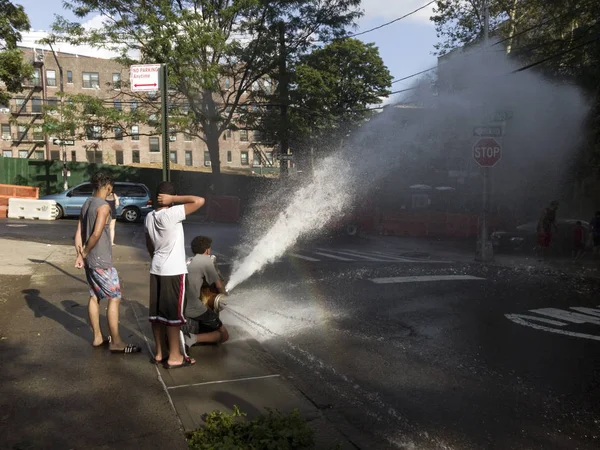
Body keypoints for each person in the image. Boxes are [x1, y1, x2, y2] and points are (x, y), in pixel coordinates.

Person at [74, 172, 141, 354]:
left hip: (89, 260)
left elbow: (78, 233)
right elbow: (96, 234)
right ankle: (116, 342)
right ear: (109, 187)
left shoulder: (87, 203)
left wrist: (80, 254)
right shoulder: (103, 207)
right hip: (101, 260)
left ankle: (97, 337)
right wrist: (85, 253)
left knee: (94, 295)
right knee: (115, 297)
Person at [144, 182, 205, 369]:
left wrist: (158, 258)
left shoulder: (149, 216)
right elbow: (199, 200)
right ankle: (175, 356)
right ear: (169, 199)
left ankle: (160, 353)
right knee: (173, 317)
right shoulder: (170, 214)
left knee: (157, 315)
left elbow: (149, 244)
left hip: (156, 269)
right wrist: (175, 200)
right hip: (173, 272)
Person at [181, 236, 230, 353]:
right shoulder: (206, 261)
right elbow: (218, 285)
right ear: (207, 250)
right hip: (193, 307)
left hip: (179, 305)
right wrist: (225, 294)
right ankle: (190, 339)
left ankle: (191, 335)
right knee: (224, 336)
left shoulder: (188, 260)